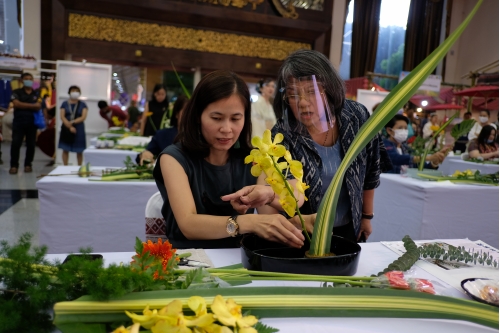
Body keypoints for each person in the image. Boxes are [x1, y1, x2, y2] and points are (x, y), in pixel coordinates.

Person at [223, 50, 393, 243]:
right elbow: (294, 191)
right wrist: (269, 194)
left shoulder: (356, 117)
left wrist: (366, 216)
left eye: (312, 91)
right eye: (293, 94)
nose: (303, 103)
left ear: (329, 89)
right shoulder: (283, 135)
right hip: (302, 234)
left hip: (349, 227)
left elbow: (371, 170)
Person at [153, 70, 308, 249]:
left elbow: (270, 214)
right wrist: (248, 222)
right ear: (197, 116)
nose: (227, 129)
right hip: (188, 260)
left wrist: (295, 219)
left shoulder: (254, 159)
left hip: (239, 260)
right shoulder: (173, 158)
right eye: (216, 118)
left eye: (236, 118)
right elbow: (189, 224)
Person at [137, 95, 188, 165]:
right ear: (177, 114)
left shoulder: (200, 138)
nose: (189, 116)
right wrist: (145, 154)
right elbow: (148, 153)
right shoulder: (162, 135)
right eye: (186, 112)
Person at [9, 72, 41, 174]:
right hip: (19, 122)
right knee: (15, 144)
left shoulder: (36, 93)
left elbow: (39, 106)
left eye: (30, 79)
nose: (29, 80)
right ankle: (14, 166)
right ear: (22, 80)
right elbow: (16, 104)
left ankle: (28, 165)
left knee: (31, 145)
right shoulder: (16, 92)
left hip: (32, 123)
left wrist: (23, 105)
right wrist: (32, 106)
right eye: (26, 78)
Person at [58, 86, 88, 165]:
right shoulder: (64, 104)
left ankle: (79, 166)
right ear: (69, 92)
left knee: (79, 150)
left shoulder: (82, 104)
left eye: (76, 91)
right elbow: (62, 116)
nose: (75, 92)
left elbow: (83, 117)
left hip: (79, 128)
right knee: (65, 148)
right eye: (73, 90)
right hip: (66, 127)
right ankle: (65, 166)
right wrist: (69, 126)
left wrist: (73, 122)